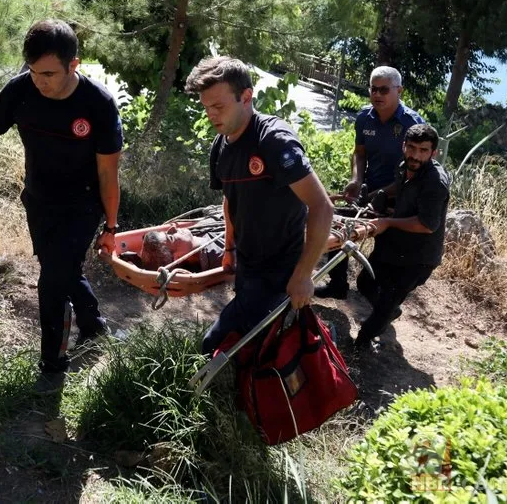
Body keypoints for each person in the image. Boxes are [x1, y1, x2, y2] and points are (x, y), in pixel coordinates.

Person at [0, 19, 122, 391]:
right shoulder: (20, 91)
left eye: (50, 73)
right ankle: (94, 325)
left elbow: (108, 174)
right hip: (39, 200)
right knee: (61, 268)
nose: (41, 81)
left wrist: (111, 227)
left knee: (52, 281)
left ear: (75, 64)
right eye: (34, 71)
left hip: (83, 205)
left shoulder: (98, 105)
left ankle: (52, 367)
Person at [185, 56, 334, 355]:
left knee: (213, 346)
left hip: (282, 268)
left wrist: (303, 275)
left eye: (218, 106)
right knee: (253, 344)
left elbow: (322, 207)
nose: (211, 115)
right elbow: (230, 200)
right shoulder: (221, 145)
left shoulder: (274, 141)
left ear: (246, 97)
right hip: (248, 263)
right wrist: (229, 249)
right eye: (206, 107)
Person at [315, 66, 426, 299]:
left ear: (399, 91)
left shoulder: (412, 124)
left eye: (384, 90)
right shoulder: (365, 117)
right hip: (368, 192)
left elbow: (418, 174)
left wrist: (382, 193)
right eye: (373, 89)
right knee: (338, 228)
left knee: (383, 259)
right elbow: (359, 153)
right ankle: (337, 285)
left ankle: (383, 307)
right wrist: (356, 179)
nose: (377, 95)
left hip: (399, 199)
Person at [354, 124, 449, 351]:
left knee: (385, 304)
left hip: (418, 257)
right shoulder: (405, 166)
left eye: (423, 150)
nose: (415, 155)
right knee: (365, 282)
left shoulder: (435, 182)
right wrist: (379, 194)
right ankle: (388, 312)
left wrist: (387, 222)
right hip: (394, 245)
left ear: (433, 153)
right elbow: (400, 186)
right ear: (403, 146)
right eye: (411, 147)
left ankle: (362, 344)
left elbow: (427, 225)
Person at [139, 225, 224, 271]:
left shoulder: (197, 230)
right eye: (171, 237)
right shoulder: (220, 254)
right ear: (177, 258)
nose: (172, 228)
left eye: (167, 232)